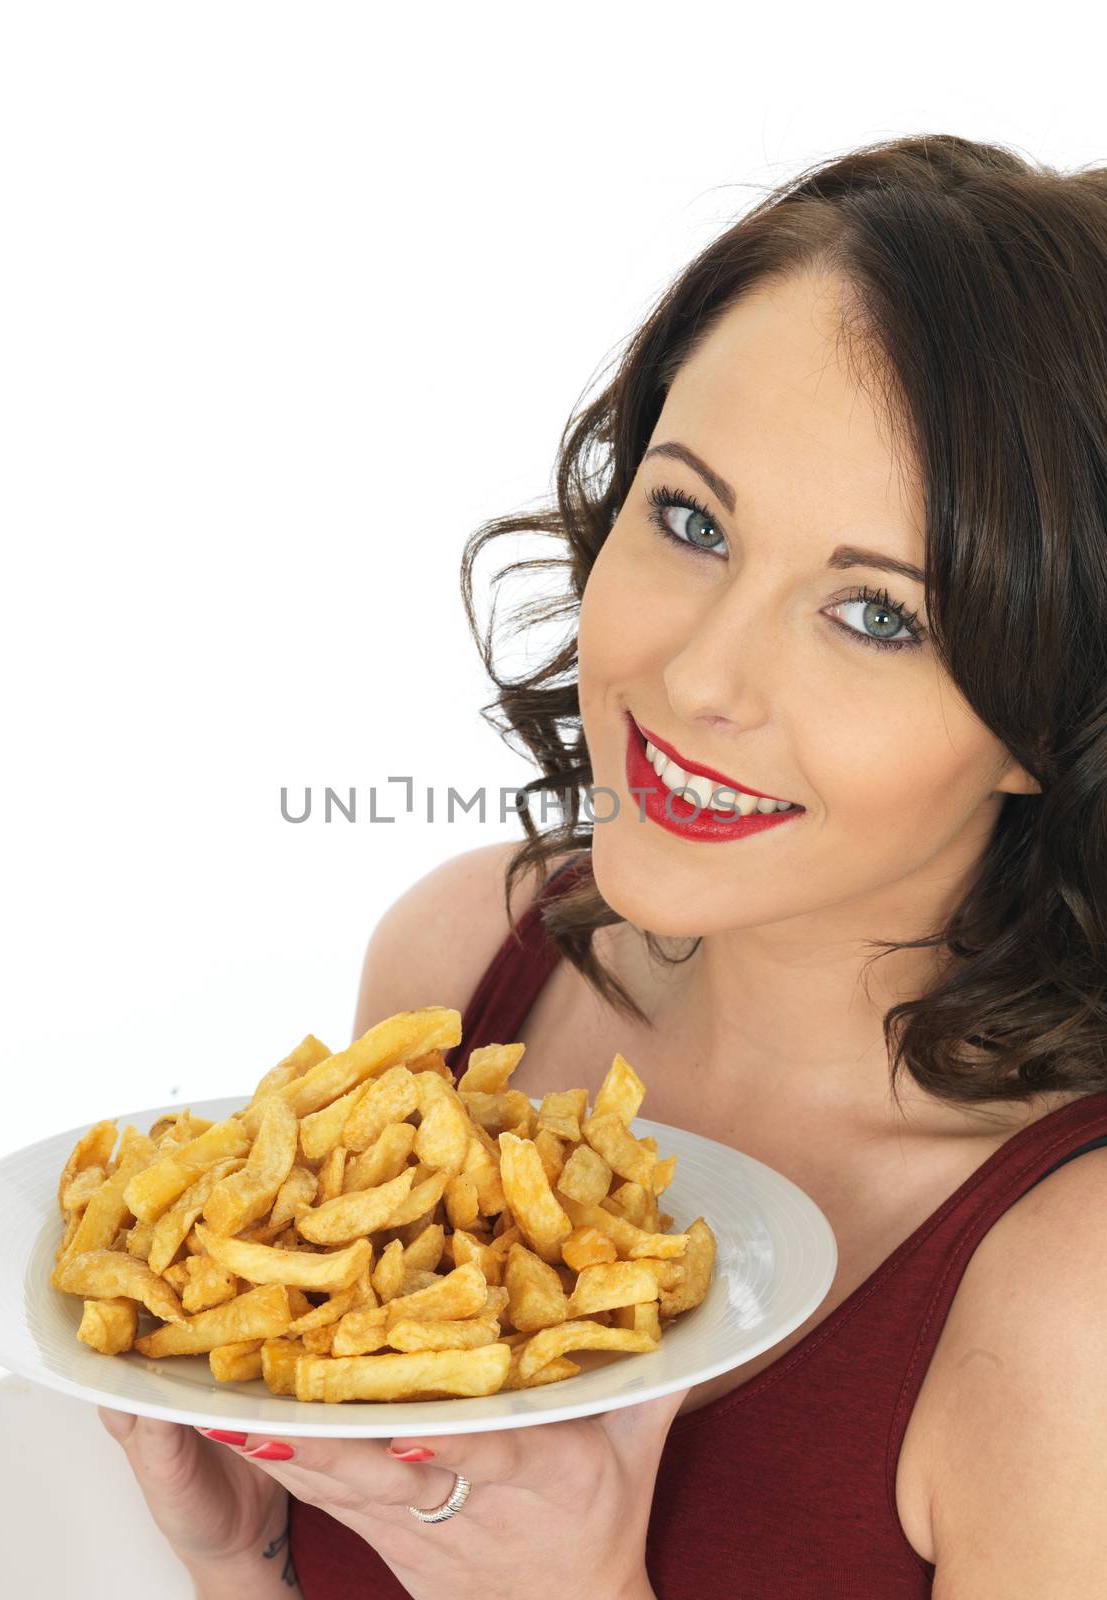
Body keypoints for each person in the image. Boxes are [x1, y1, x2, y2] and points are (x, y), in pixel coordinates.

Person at [99, 131, 1107, 1598]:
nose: (698, 676)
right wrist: (247, 1551)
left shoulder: (1066, 1298)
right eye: (691, 520)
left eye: (879, 614)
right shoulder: (458, 971)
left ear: (1054, 712)